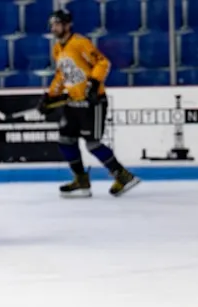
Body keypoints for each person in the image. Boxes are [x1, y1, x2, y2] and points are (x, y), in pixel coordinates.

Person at [43, 8, 139, 199]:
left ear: (67, 25)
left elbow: (102, 62)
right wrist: (50, 95)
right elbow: (62, 75)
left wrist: (94, 84)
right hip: (73, 102)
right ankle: (81, 180)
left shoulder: (80, 43)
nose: (54, 28)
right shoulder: (57, 49)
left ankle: (123, 175)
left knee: (92, 143)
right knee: (65, 140)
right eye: (52, 24)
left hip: (92, 103)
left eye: (58, 24)